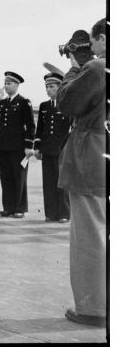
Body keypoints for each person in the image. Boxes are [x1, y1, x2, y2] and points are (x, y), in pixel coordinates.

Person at [57, 18, 107, 327]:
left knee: (90, 235)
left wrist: (75, 66)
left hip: (93, 155)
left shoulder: (99, 68)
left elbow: (66, 102)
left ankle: (94, 308)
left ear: (102, 39)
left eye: (94, 41)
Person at [0, 71, 35, 219]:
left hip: (18, 147)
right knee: (6, 178)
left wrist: (28, 145)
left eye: (9, 83)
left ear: (17, 85)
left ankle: (20, 208)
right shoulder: (3, 103)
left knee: (19, 178)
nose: (6, 86)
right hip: (5, 146)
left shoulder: (24, 102)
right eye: (5, 83)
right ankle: (8, 207)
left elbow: (30, 125)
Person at [34, 73, 71, 223]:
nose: (48, 90)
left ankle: (64, 214)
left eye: (51, 87)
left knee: (61, 183)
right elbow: (40, 129)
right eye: (47, 87)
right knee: (48, 183)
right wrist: (37, 147)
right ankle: (50, 213)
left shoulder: (68, 105)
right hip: (47, 150)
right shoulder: (44, 106)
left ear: (59, 87)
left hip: (62, 150)